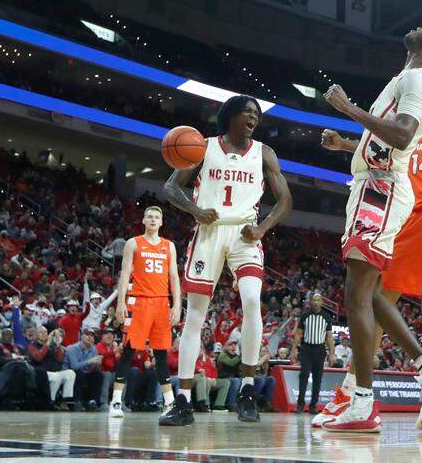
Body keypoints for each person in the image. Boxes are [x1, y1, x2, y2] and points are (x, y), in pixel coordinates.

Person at [318, 26, 422, 432]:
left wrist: (348, 107)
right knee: (368, 293)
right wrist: (347, 145)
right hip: (377, 183)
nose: (420, 25)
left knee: (359, 293)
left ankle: (363, 403)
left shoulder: (420, 78)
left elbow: (403, 133)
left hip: (383, 188)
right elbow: (392, 139)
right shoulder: (409, 78)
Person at [160, 95, 293, 426]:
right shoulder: (202, 147)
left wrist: (262, 228)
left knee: (251, 301)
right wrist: (195, 210)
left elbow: (286, 199)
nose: (253, 118)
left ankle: (247, 391)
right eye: (247, 112)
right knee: (194, 318)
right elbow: (171, 187)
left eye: (256, 114)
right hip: (209, 232)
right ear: (231, 115)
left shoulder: (264, 152)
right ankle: (184, 400)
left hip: (244, 236)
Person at [109, 206, 181, 419]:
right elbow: (124, 275)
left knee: (160, 353)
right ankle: (115, 402)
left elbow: (174, 278)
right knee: (129, 350)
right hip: (138, 301)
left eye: (156, 217)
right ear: (143, 220)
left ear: (161, 222)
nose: (152, 219)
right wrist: (120, 303)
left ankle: (169, 404)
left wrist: (177, 305)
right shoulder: (133, 243)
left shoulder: (169, 246)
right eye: (149, 216)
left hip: (161, 304)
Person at [294, 293, 334, 414]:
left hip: (320, 349)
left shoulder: (327, 317)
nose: (316, 302)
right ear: (311, 302)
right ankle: (300, 404)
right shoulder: (305, 316)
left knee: (317, 378)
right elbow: (299, 334)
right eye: (314, 300)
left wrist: (332, 353)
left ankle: (313, 405)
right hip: (306, 348)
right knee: (304, 375)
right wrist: (293, 350)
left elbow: (329, 337)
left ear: (322, 302)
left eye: (318, 300)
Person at [65, 330, 105, 410]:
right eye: (87, 335)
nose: (90, 337)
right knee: (79, 373)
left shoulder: (94, 350)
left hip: (85, 372)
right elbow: (74, 366)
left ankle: (93, 401)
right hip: (70, 373)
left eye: (92, 336)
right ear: (82, 336)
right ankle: (77, 401)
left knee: (98, 374)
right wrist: (89, 361)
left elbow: (91, 368)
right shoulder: (72, 348)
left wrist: (97, 363)